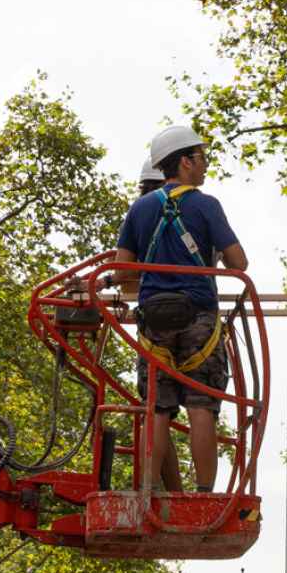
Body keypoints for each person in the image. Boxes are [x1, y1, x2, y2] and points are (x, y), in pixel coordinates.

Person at [113, 125, 247, 492]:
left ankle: (146, 488)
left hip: (154, 319)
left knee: (157, 408)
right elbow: (239, 263)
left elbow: (123, 271)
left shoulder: (139, 209)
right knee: (202, 405)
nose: (205, 165)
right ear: (185, 162)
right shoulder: (206, 205)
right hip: (198, 318)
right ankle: (204, 494)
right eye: (201, 157)